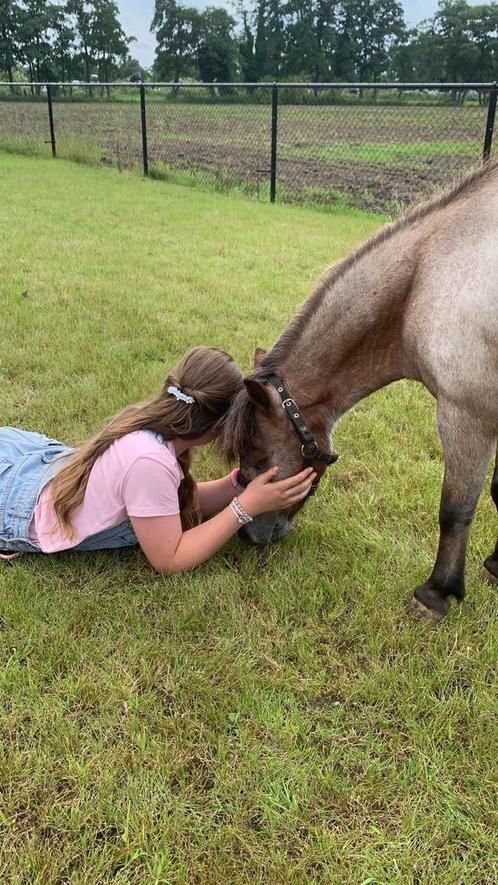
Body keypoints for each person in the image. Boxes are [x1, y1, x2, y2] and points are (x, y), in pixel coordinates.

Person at [0, 347, 316, 572]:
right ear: (220, 424)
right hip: (15, 502)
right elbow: (170, 558)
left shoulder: (155, 430)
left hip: (33, 466)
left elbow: (166, 506)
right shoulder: (148, 463)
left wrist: (239, 486)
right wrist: (245, 508)